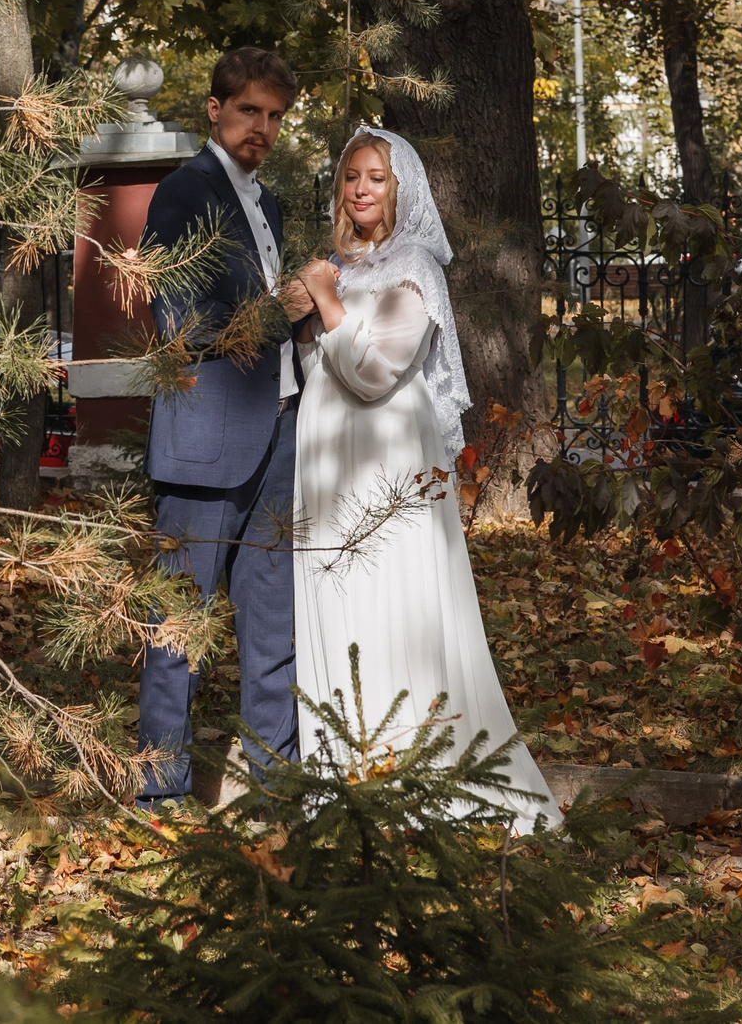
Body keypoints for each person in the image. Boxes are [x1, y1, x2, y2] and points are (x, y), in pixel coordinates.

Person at [282, 125, 556, 832]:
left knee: (392, 598)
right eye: (351, 177)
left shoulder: (416, 268)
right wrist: (305, 322)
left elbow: (374, 375)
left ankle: (413, 766)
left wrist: (323, 296)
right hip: (327, 454)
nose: (361, 189)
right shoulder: (339, 265)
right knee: (336, 593)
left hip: (389, 455)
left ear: (400, 186)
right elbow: (324, 369)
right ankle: (343, 771)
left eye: (375, 176)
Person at [135, 46, 305, 804]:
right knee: (179, 627)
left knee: (273, 623)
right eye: (249, 112)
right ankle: (160, 790)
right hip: (205, 445)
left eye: (274, 116)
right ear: (214, 109)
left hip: (279, 433)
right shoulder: (182, 193)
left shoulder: (265, 201)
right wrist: (285, 310)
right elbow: (182, 319)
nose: (261, 128)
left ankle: (274, 785)